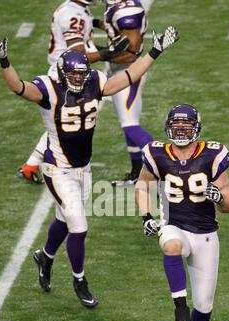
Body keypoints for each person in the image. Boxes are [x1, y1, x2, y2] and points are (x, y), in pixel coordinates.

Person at [0, 27, 179, 308]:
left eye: (82, 74)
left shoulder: (95, 81)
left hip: (84, 168)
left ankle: (45, 256)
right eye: (74, 75)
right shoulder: (50, 88)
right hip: (58, 169)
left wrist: (156, 50)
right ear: (62, 73)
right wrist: (4, 62)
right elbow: (19, 87)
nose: (79, 79)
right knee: (79, 226)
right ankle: (79, 280)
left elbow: (128, 76)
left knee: (64, 220)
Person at [135, 104, 229, 321]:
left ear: (196, 129)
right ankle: (180, 309)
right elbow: (142, 184)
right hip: (173, 225)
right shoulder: (157, 153)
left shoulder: (212, 154)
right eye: (176, 127)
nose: (180, 132)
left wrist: (219, 198)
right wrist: (146, 216)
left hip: (205, 234)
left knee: (204, 305)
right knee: (171, 245)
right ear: (168, 127)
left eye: (186, 127)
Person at [17, 0, 129, 184]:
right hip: (65, 74)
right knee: (69, 120)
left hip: (66, 70)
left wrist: (102, 25)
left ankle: (30, 165)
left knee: (65, 121)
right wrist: (108, 52)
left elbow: (87, 21)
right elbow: (79, 53)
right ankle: (31, 165)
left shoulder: (74, 8)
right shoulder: (72, 15)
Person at [92, 0, 155, 187]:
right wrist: (95, 23)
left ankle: (166, 170)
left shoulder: (127, 11)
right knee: (127, 124)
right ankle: (137, 174)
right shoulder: (118, 6)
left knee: (130, 125)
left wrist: (98, 53)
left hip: (128, 72)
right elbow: (115, 30)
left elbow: (131, 53)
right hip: (120, 70)